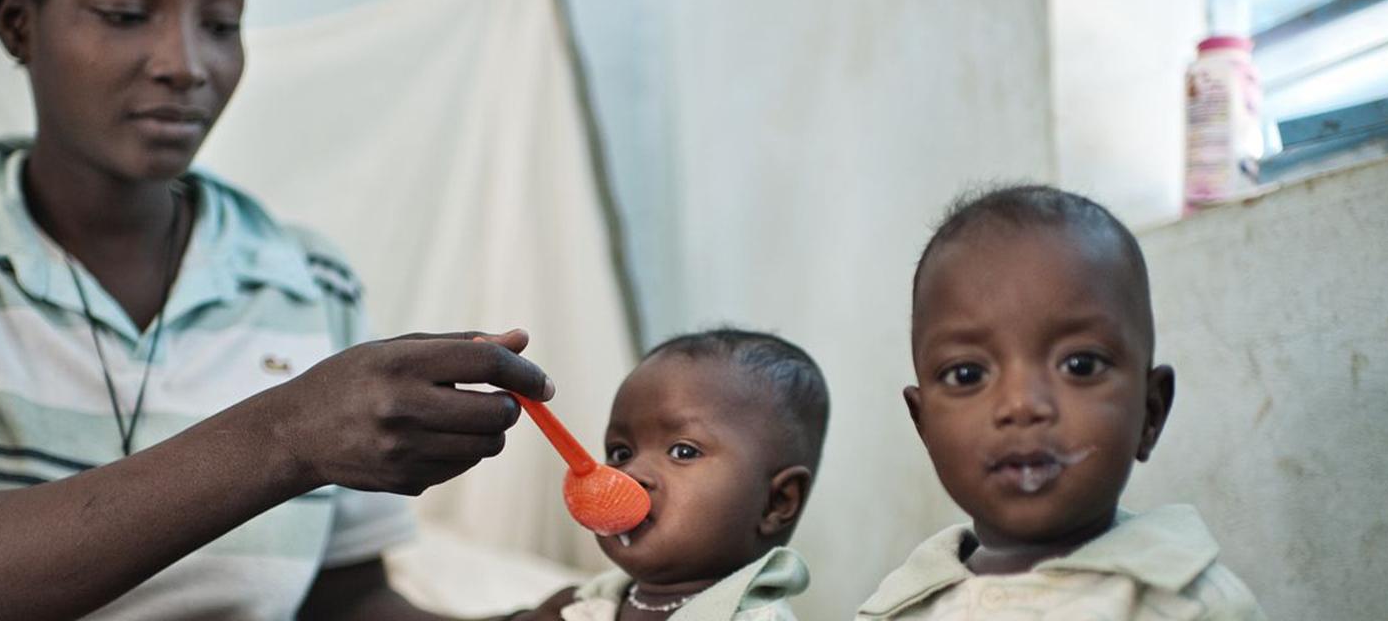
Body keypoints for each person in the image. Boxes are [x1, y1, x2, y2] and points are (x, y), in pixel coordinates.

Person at [0, 0, 551, 618]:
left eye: (221, 23)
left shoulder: (309, 280)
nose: (186, 63)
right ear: (18, 22)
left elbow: (341, 601)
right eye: (124, 13)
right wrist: (289, 432)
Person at [856, 186, 1263, 620]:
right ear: (926, 427)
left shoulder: (1191, 605)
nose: (1021, 405)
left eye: (1080, 365)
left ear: (1150, 412)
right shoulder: (895, 610)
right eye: (968, 375)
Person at [526, 328, 828, 620]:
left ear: (777, 502)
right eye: (621, 453)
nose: (631, 472)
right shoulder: (582, 603)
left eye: (683, 452)